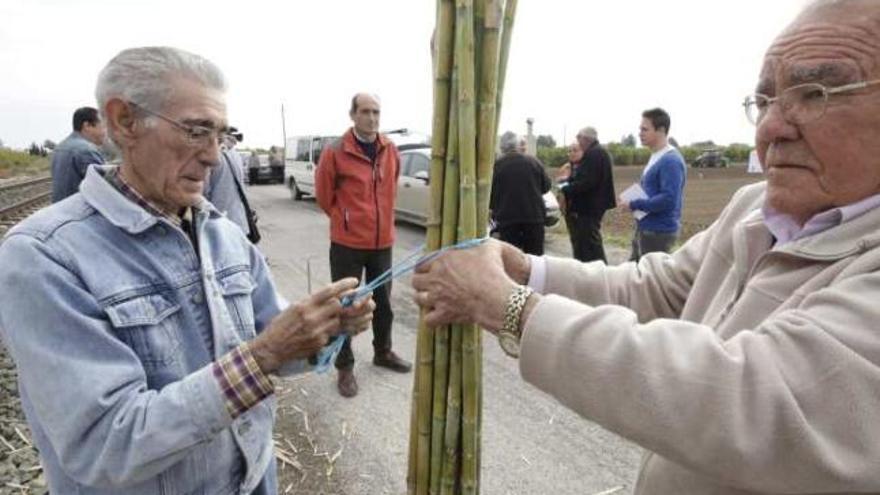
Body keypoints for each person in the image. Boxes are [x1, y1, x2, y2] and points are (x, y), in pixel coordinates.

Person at [410, 1, 880, 493]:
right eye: (764, 101)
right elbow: (659, 287)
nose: (771, 128)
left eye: (813, 93)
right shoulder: (755, 209)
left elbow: (749, 397)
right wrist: (526, 270)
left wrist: (508, 306)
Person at [0, 46, 374, 495]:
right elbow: (104, 444)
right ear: (124, 121)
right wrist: (262, 356)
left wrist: (325, 329)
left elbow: (272, 335)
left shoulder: (222, 233)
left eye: (222, 135)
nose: (215, 156)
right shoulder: (44, 257)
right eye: (197, 131)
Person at [315, 92, 412, 398]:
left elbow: (390, 188)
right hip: (347, 244)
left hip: (382, 243)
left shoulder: (390, 149)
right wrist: (346, 219)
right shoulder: (335, 152)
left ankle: (383, 351)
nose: (372, 118)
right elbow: (323, 196)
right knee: (346, 306)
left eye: (377, 112)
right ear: (353, 114)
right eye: (366, 111)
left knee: (383, 304)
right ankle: (344, 367)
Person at [621, 108, 686, 260]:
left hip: (658, 232)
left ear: (661, 130)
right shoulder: (656, 156)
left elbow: (668, 199)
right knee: (635, 275)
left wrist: (633, 204)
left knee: (649, 280)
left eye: (645, 129)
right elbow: (653, 190)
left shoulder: (671, 161)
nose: (640, 133)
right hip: (646, 228)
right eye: (640, 129)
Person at [560, 126, 615, 263]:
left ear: (586, 139)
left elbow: (587, 182)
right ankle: (589, 271)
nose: (578, 141)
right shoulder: (599, 152)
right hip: (594, 206)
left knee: (590, 244)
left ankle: (600, 273)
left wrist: (566, 188)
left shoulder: (593, 154)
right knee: (586, 242)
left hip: (589, 207)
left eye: (579, 137)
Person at [489, 133, 551, 255]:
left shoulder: (496, 166)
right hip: (534, 217)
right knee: (535, 258)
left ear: (501, 148)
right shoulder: (534, 162)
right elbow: (546, 187)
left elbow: (490, 195)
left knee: (512, 259)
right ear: (517, 145)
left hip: (507, 219)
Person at [204, 127, 260, 243]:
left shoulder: (215, 155)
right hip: (239, 220)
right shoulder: (236, 155)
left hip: (219, 221)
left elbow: (204, 191)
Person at [50, 106, 106, 202]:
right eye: (103, 126)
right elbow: (106, 190)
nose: (105, 132)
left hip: (60, 211)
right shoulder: (85, 151)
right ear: (87, 125)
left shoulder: (60, 147)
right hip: (80, 214)